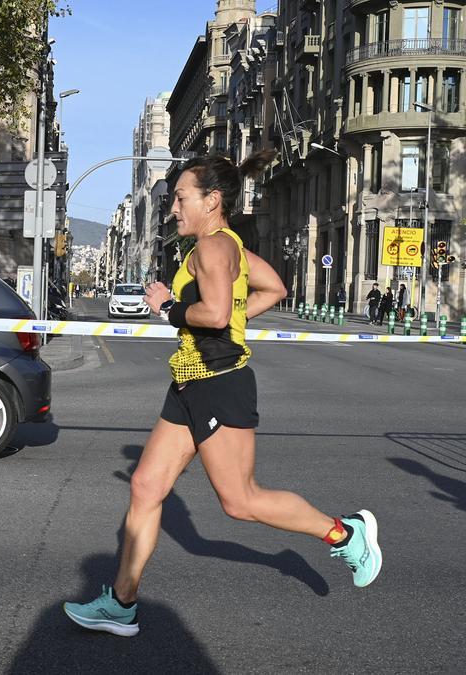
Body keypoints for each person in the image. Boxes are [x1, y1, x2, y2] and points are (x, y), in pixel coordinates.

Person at [63, 150, 382, 638]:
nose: (174, 208)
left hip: (218, 383)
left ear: (212, 200)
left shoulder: (211, 248)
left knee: (240, 501)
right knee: (146, 487)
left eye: (180, 197)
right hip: (190, 381)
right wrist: (231, 317)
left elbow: (213, 315)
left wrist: (170, 307)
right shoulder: (226, 244)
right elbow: (274, 287)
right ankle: (122, 605)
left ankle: (345, 532)